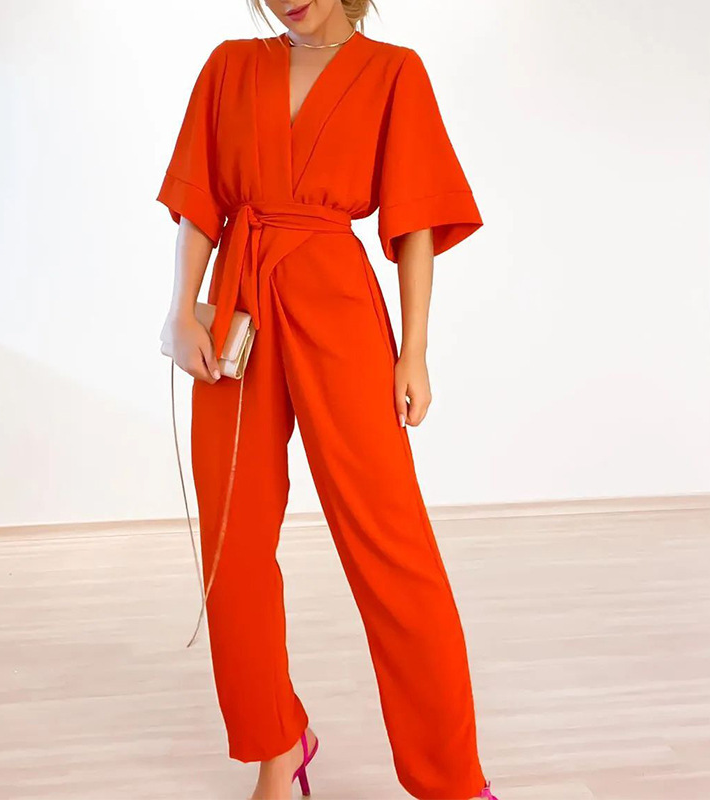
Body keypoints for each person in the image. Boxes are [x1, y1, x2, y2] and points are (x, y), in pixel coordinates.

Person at [156, 1, 498, 798]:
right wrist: (180, 310)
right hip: (237, 305)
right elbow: (200, 201)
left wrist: (414, 352)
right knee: (232, 544)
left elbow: (415, 222)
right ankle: (278, 745)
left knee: (391, 546)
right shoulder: (229, 66)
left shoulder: (394, 72)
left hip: (336, 301)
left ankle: (453, 781)